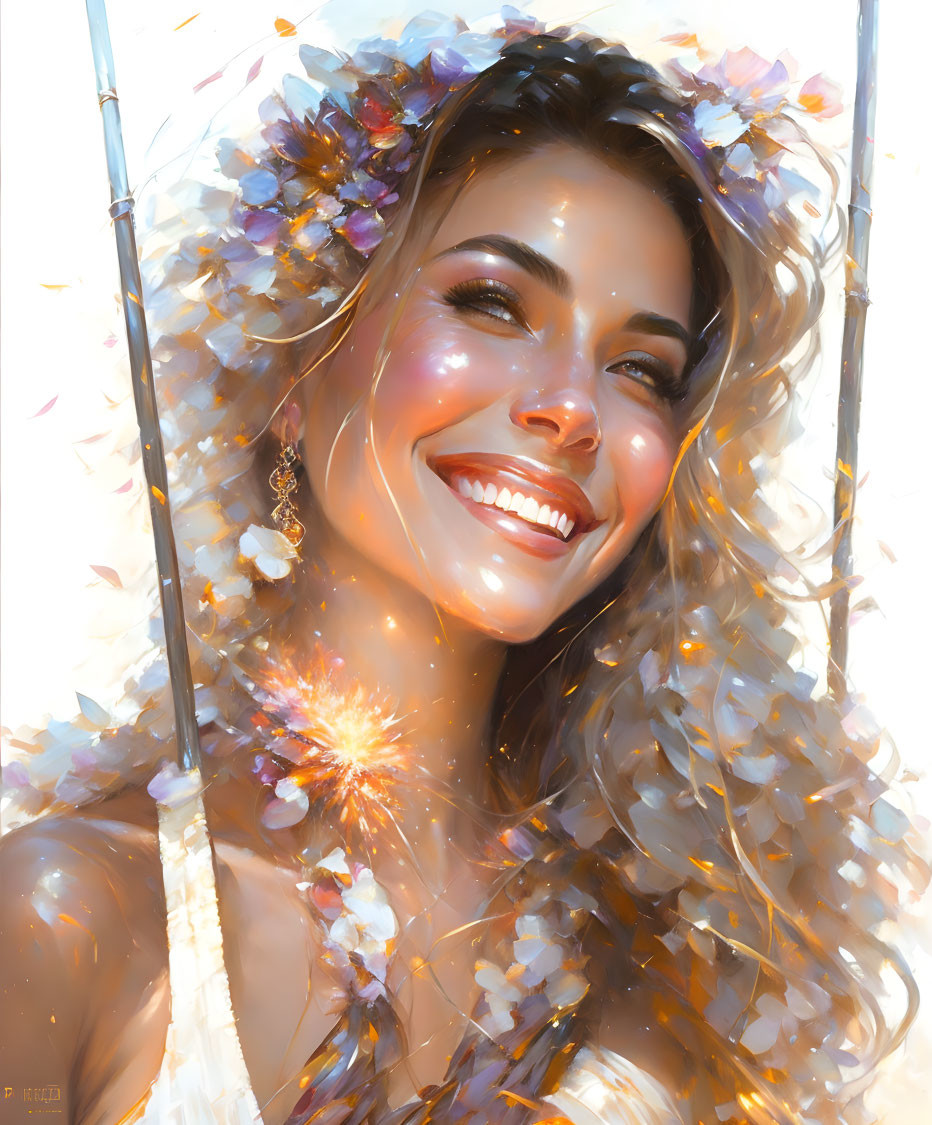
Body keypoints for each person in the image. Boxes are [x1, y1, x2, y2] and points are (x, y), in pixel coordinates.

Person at [0, 12, 921, 1125]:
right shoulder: (70, 919)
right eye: (490, 303)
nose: (571, 410)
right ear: (294, 355)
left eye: (640, 367)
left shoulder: (693, 969)